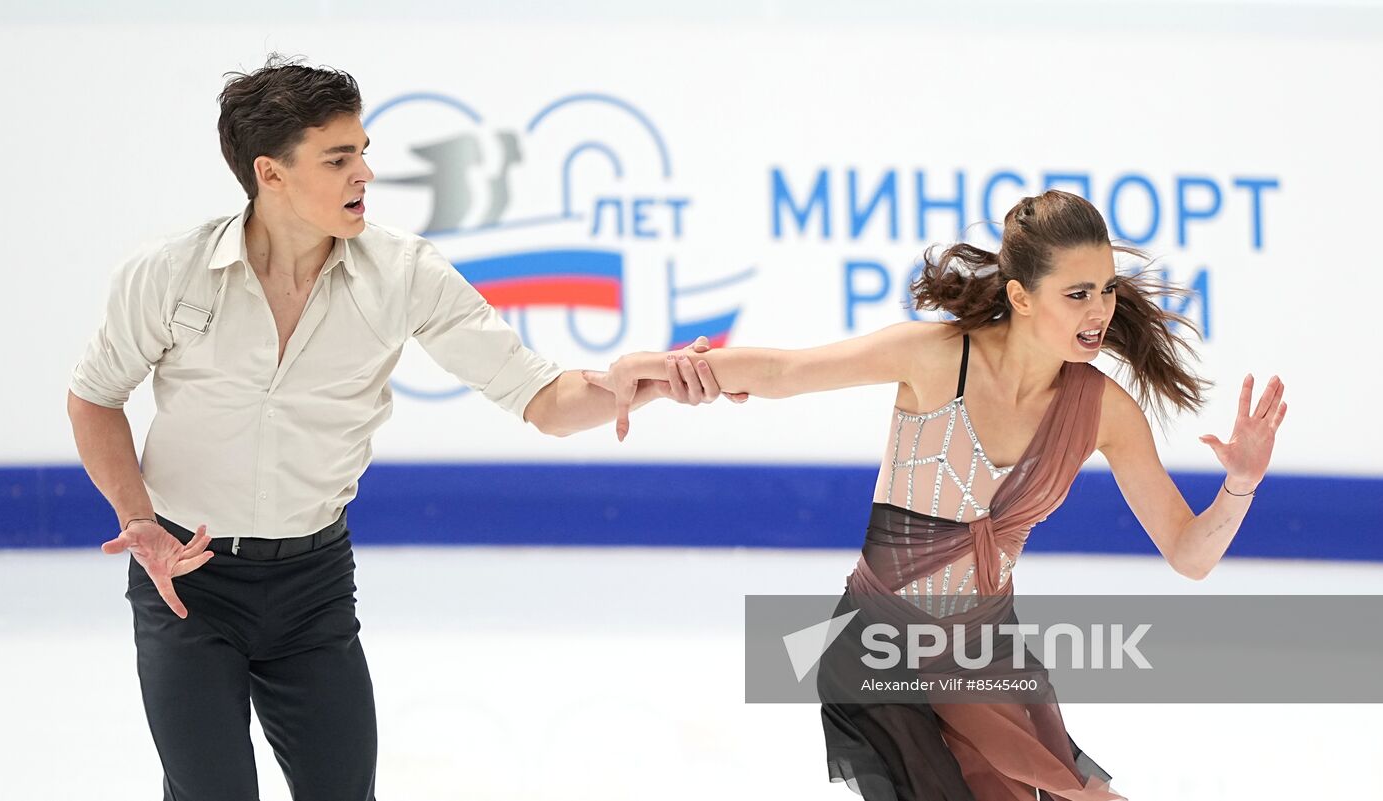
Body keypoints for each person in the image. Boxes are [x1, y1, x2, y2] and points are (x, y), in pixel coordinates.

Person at [65, 57, 729, 801]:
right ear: (271, 173)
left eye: (364, 151)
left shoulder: (405, 272)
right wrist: (137, 519)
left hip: (311, 587)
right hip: (185, 580)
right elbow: (94, 398)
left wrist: (634, 384)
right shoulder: (167, 274)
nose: (365, 174)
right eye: (339, 157)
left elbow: (539, 395)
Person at [584, 189, 1287, 800]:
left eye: (1106, 288)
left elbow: (1189, 554)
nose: (1099, 309)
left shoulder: (1103, 409)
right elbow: (781, 370)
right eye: (1078, 293)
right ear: (1020, 296)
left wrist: (1240, 485)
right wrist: (656, 368)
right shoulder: (934, 356)